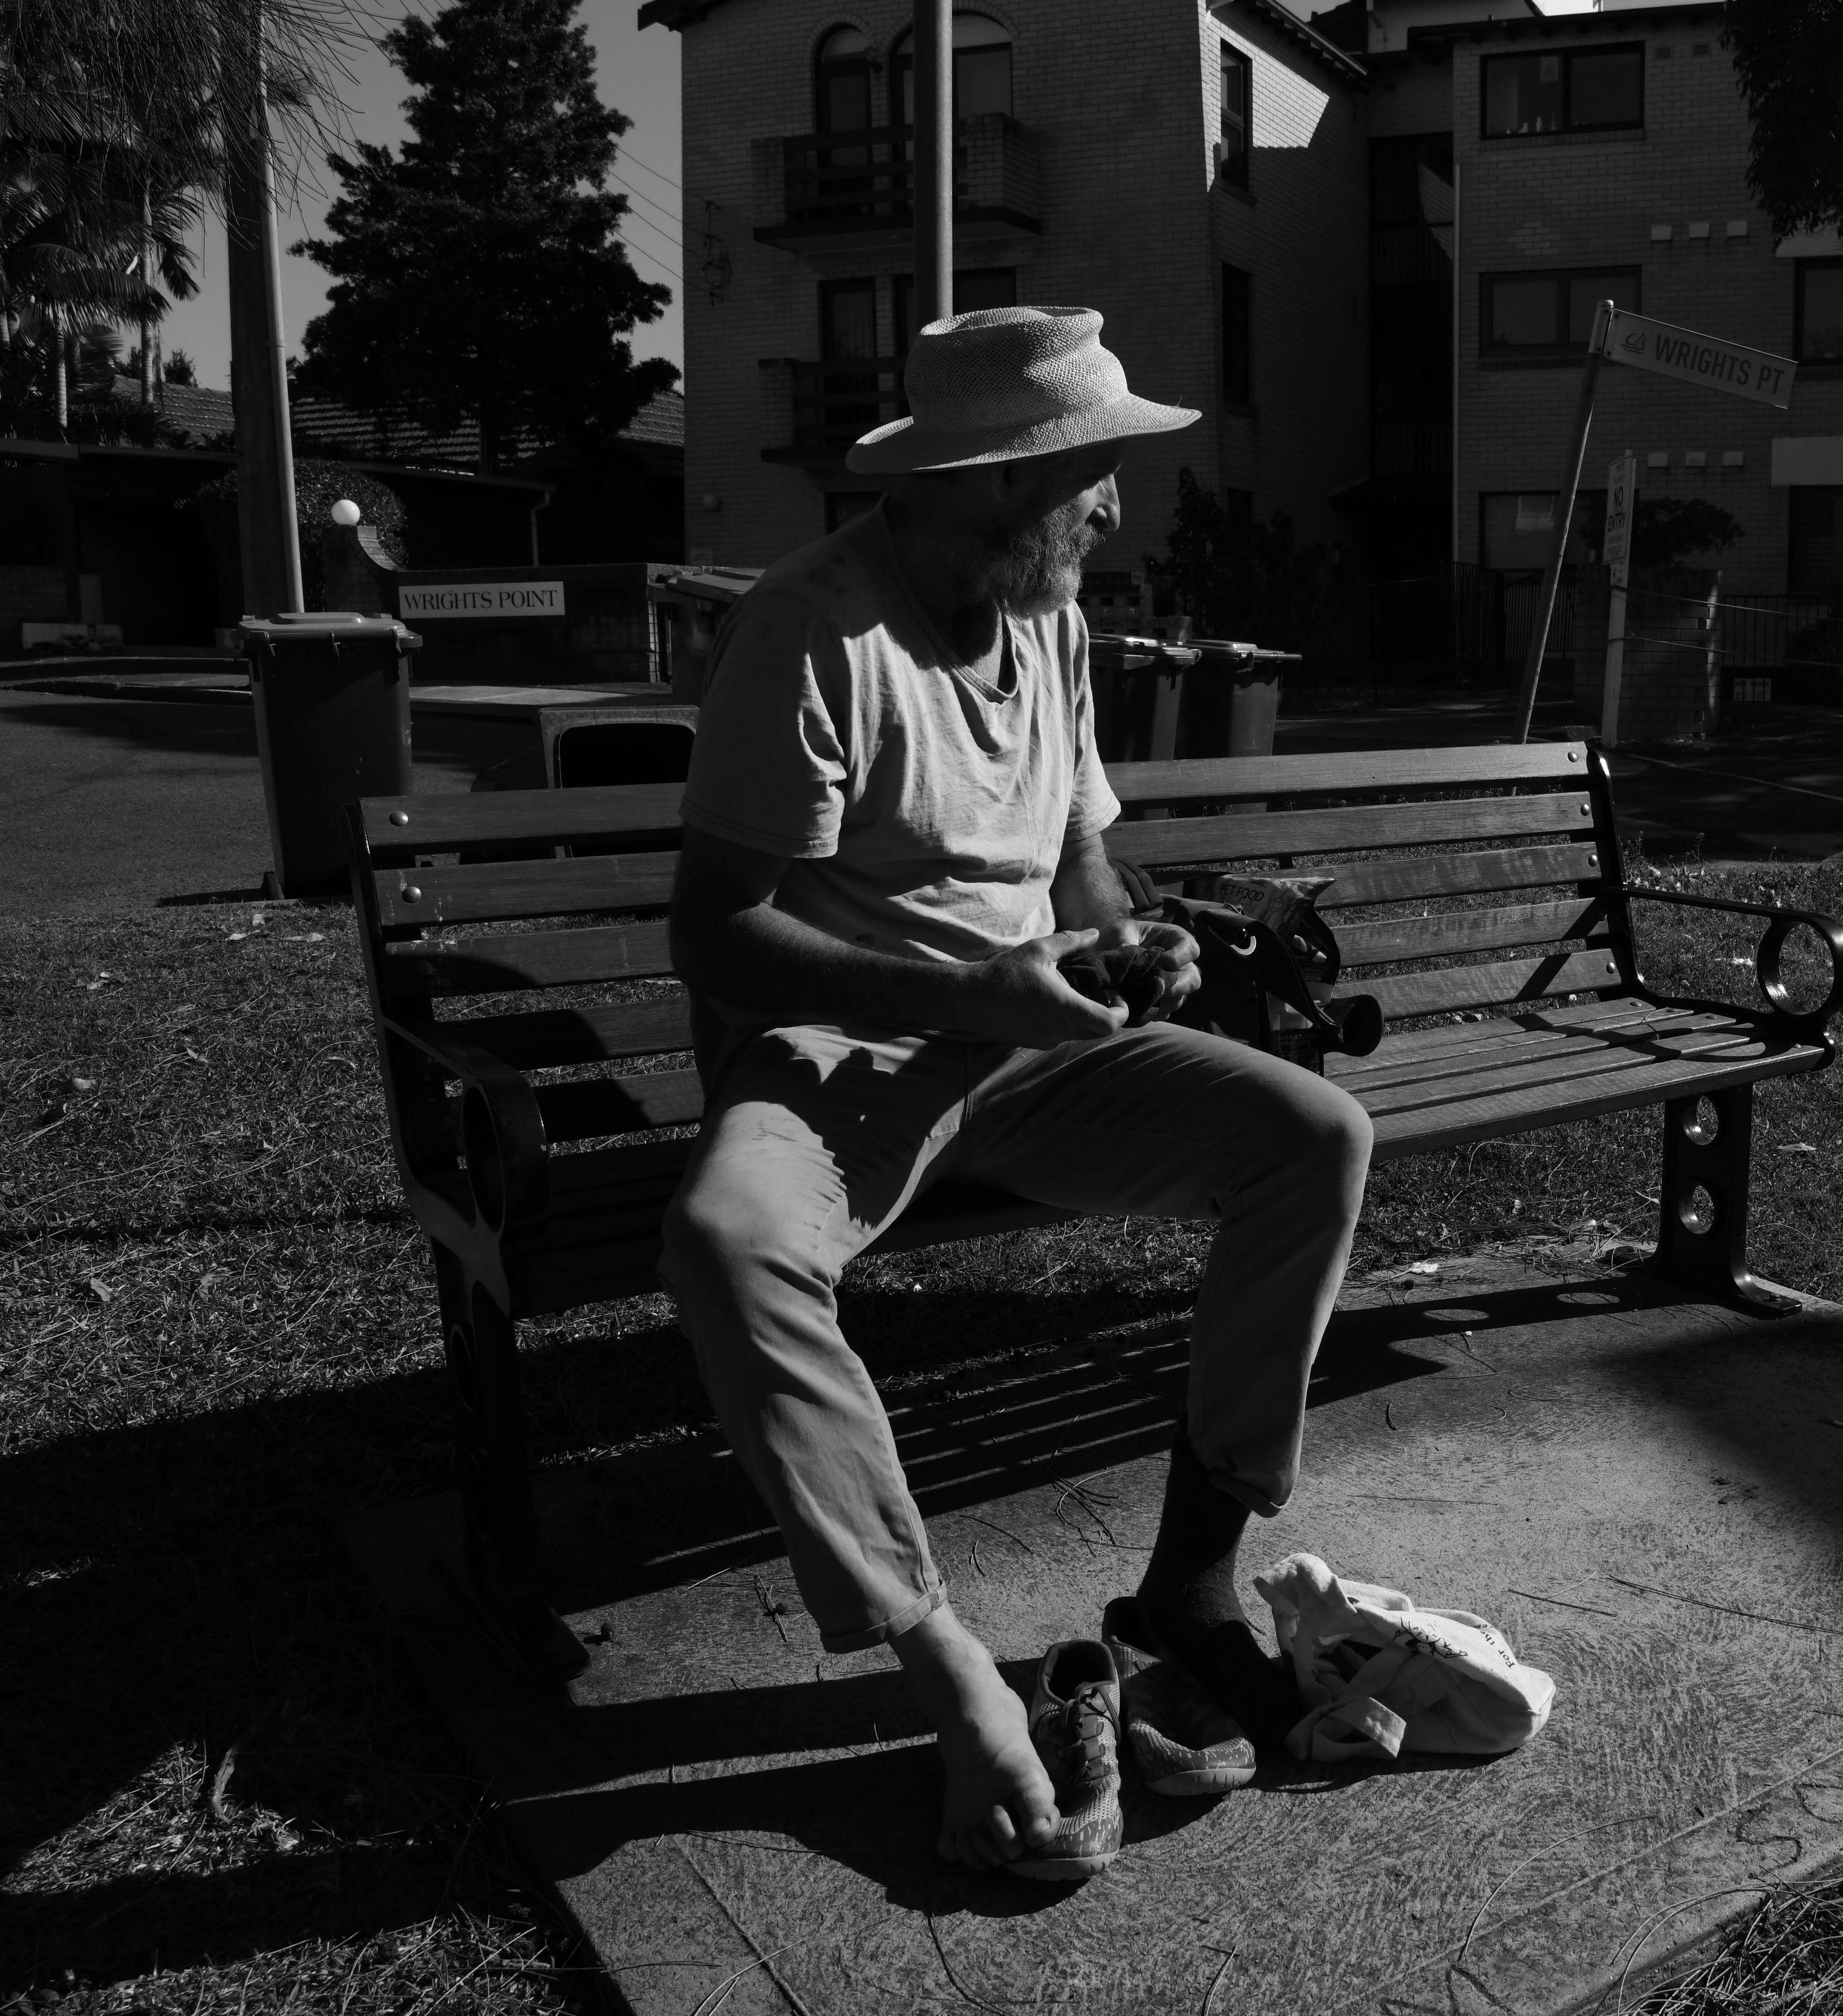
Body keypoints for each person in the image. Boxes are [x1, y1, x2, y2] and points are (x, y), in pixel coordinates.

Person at [654, 307, 1373, 1873]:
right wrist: (956, 994)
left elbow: (1075, 859)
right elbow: (715, 929)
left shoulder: (1042, 611)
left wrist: (1129, 945)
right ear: (995, 481)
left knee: (1314, 1137)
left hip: (1036, 1038)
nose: (1117, 507)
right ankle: (951, 1673)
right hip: (847, 1054)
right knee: (728, 1244)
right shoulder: (813, 631)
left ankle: (1189, 1585)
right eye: (1097, 476)